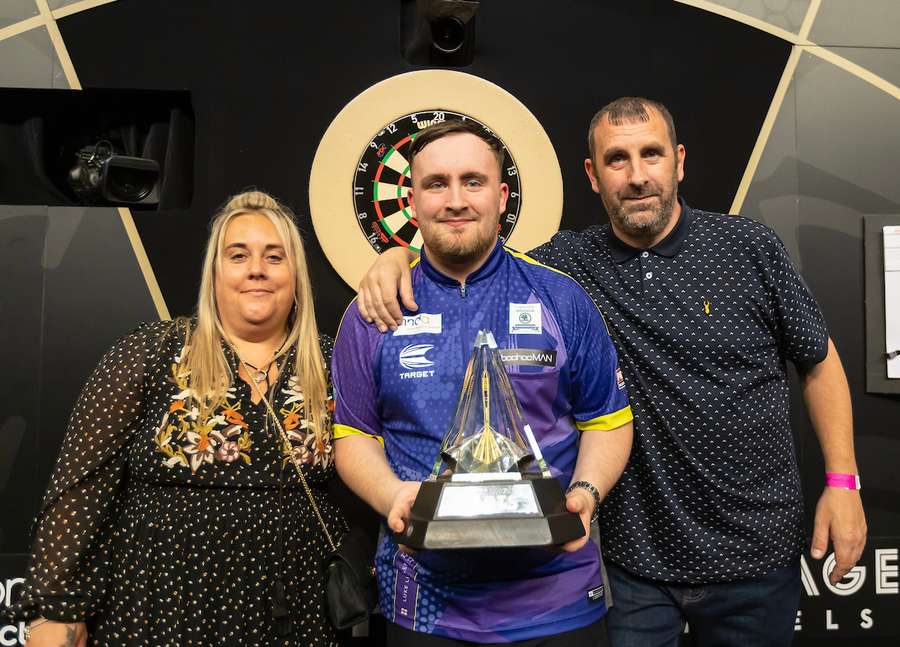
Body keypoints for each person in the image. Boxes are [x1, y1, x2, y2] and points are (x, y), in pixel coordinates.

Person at [356, 98, 867, 646]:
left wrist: (842, 482)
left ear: (680, 161)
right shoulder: (565, 269)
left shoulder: (748, 247)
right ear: (593, 176)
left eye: (652, 154)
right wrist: (397, 259)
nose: (638, 175)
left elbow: (819, 361)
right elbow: (471, 251)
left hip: (753, 551)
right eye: (617, 159)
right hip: (633, 564)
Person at [331, 120, 634, 645]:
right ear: (412, 199)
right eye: (436, 183)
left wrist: (585, 492)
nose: (455, 200)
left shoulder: (559, 298)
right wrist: (393, 497)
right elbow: (354, 436)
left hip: (557, 600)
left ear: (501, 196)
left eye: (472, 182)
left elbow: (608, 419)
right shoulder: (374, 313)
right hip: (425, 605)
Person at [15, 190, 345, 646]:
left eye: (275, 256)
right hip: (159, 610)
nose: (257, 269)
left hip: (295, 615)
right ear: (213, 274)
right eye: (238, 255)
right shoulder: (150, 352)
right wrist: (55, 614)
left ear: (296, 277)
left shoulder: (332, 363)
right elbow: (80, 490)